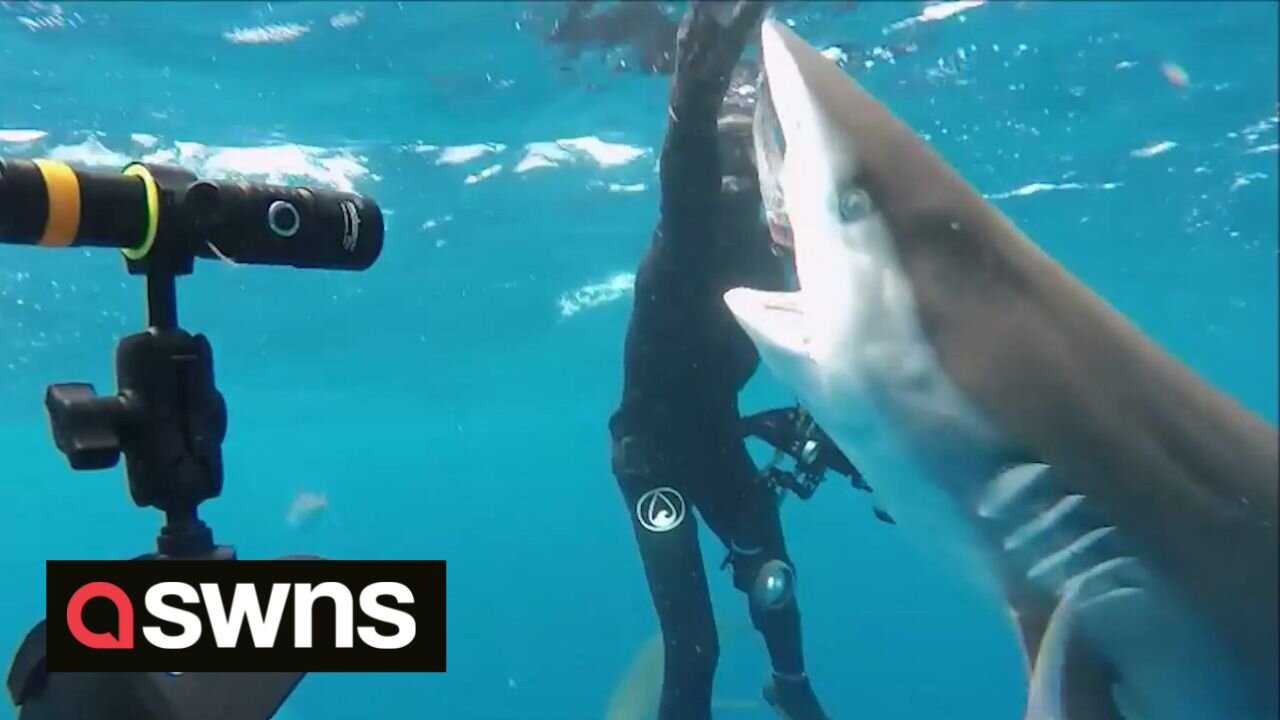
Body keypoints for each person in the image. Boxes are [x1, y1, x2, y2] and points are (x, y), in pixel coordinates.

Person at [607, 3, 833, 719]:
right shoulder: (685, 243)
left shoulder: (780, 250)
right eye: (734, 162)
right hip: (648, 457)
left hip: (715, 434)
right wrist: (700, 69)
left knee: (777, 583)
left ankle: (791, 689)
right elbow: (686, 163)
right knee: (695, 643)